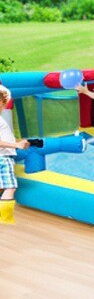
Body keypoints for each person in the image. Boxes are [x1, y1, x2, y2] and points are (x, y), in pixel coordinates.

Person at [0, 85, 29, 224]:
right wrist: (16, 145)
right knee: (10, 186)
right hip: (3, 158)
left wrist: (17, 142)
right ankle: (5, 219)